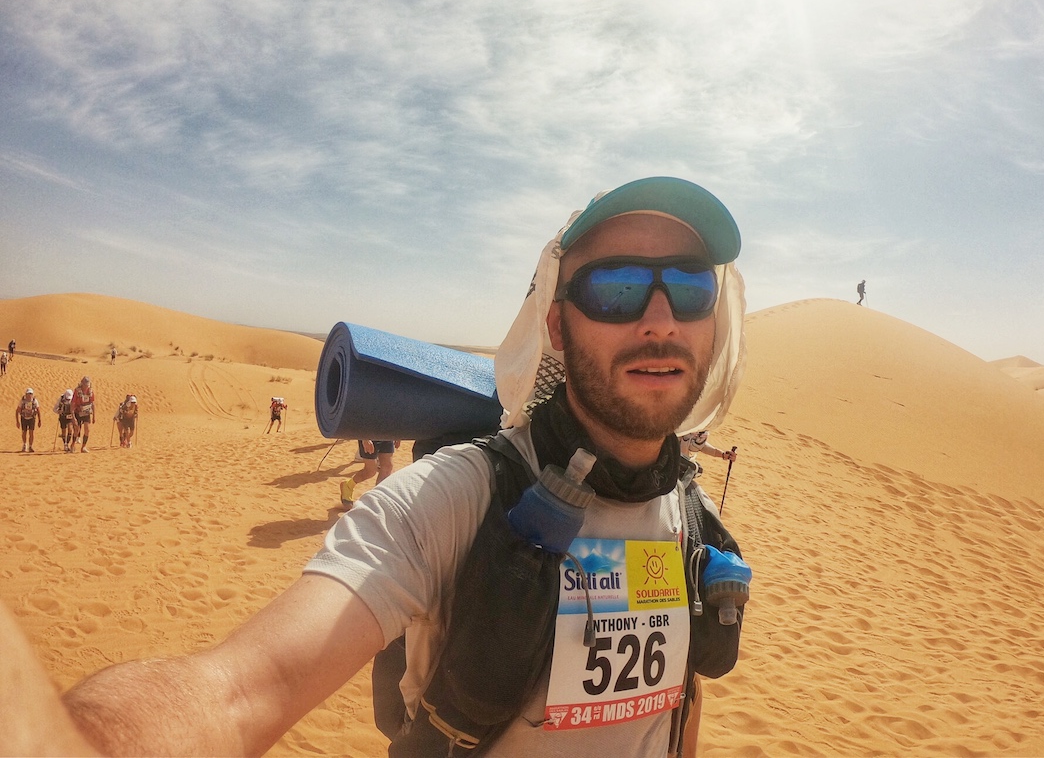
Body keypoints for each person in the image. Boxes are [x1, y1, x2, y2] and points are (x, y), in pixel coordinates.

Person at [5, 176, 748, 758]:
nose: (659, 321)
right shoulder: (460, 496)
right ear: (556, 321)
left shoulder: (689, 510)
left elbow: (676, 707)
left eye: (688, 288)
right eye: (616, 288)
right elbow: (239, 690)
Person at [340, 440, 397, 507]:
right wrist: (365, 438)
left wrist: (397, 434)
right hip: (370, 435)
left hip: (388, 434)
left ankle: (378, 499)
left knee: (388, 467)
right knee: (370, 471)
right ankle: (348, 485)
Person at [70, 376, 97, 453]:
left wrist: (94, 416)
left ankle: (83, 447)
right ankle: (72, 444)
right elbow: (73, 403)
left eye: (87, 385)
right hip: (78, 412)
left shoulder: (90, 392)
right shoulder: (77, 391)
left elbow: (92, 403)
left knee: (87, 430)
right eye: (85, 385)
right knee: (76, 430)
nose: (86, 387)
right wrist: (73, 416)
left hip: (86, 412)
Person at [16, 388, 41, 453]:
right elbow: (17, 411)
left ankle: (30, 446)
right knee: (24, 432)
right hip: (24, 418)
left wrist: (39, 420)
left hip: (32, 418)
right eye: (28, 394)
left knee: (31, 432)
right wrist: (17, 421)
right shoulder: (22, 401)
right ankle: (24, 445)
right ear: (26, 394)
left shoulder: (35, 401)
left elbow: (38, 410)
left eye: (31, 394)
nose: (30, 395)